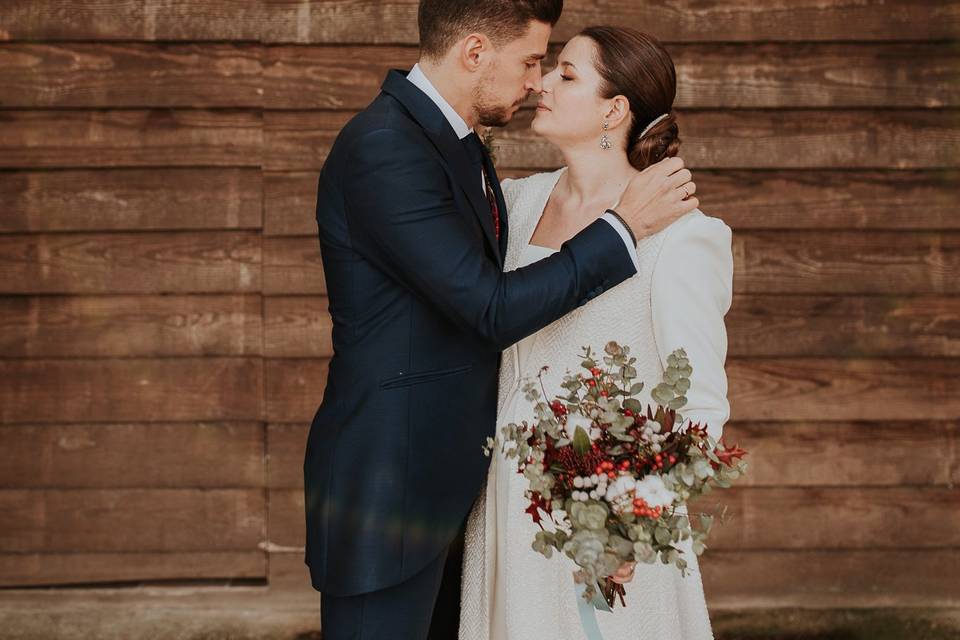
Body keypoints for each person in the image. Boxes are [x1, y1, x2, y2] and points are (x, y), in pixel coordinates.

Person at [303, 0, 700, 636]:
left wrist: (633, 507)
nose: (535, 81)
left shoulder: (460, 149)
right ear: (475, 53)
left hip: (474, 503)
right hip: (390, 492)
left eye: (553, 69)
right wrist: (620, 229)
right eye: (532, 61)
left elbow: (693, 389)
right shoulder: (387, 148)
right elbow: (488, 307)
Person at [458, 27, 733, 640]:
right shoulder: (514, 205)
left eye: (568, 74)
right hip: (504, 502)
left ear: (615, 110)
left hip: (605, 517)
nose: (541, 83)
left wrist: (632, 522)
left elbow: (701, 409)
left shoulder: (682, 237)